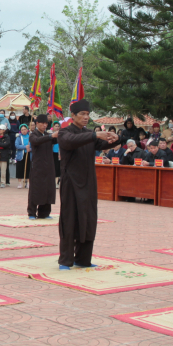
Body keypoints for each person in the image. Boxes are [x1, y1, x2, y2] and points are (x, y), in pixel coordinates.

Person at [57, 100, 118, 270]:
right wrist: (95, 135)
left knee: (89, 219)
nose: (86, 117)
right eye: (82, 114)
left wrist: (116, 138)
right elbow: (71, 141)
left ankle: (83, 259)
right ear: (73, 116)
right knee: (69, 221)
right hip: (71, 183)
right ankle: (66, 260)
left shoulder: (89, 133)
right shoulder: (64, 132)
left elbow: (104, 143)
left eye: (87, 114)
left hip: (89, 182)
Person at [27, 115, 58, 219]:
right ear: (36, 124)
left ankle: (44, 213)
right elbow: (36, 141)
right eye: (42, 123)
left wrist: (59, 134)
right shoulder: (33, 135)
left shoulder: (48, 134)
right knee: (35, 189)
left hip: (49, 166)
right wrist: (51, 136)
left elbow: (57, 140)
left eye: (46, 123)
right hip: (37, 167)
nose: (45, 125)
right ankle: (32, 212)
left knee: (48, 189)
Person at [15, 124, 31, 188]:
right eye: (22, 130)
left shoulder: (30, 137)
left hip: (29, 154)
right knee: (20, 168)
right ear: (20, 131)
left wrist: (29, 148)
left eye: (25, 129)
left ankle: (28, 183)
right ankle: (19, 183)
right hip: (21, 155)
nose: (24, 131)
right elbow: (17, 145)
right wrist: (25, 147)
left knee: (28, 168)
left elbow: (33, 145)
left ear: (27, 130)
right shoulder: (18, 137)